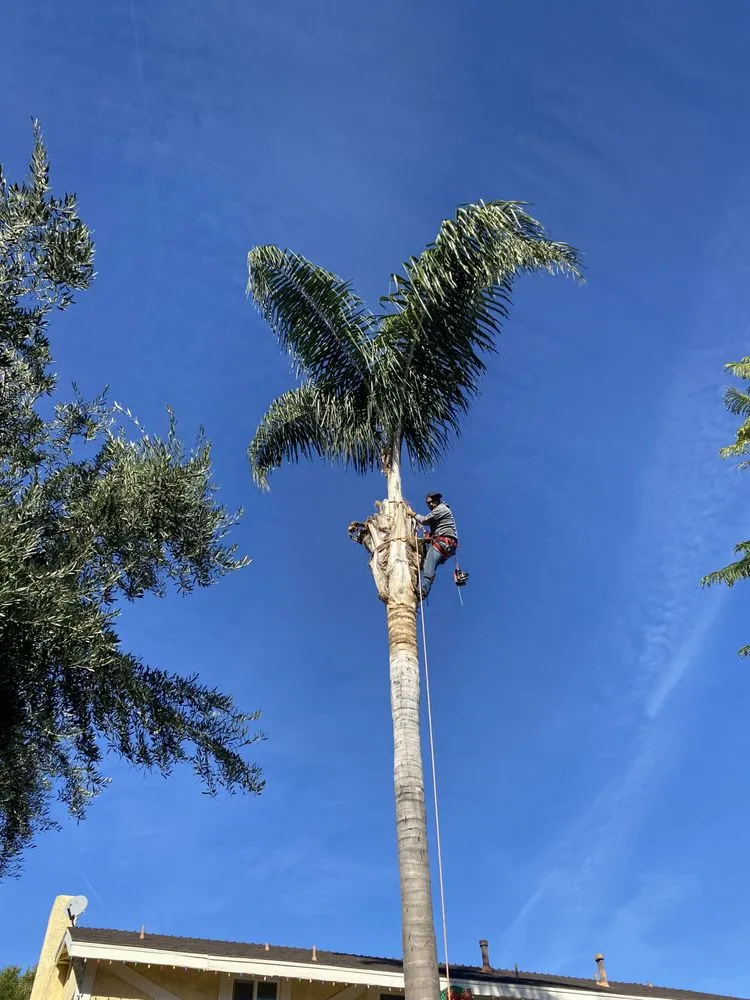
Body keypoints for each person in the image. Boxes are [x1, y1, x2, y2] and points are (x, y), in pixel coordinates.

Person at [415, 492, 458, 599]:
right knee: (423, 553)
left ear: (438, 500)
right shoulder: (439, 514)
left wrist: (412, 514)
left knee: (429, 563)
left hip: (443, 543)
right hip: (445, 545)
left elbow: (424, 520)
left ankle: (424, 589)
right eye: (428, 503)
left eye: (433, 501)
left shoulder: (441, 509)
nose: (431, 505)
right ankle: (419, 578)